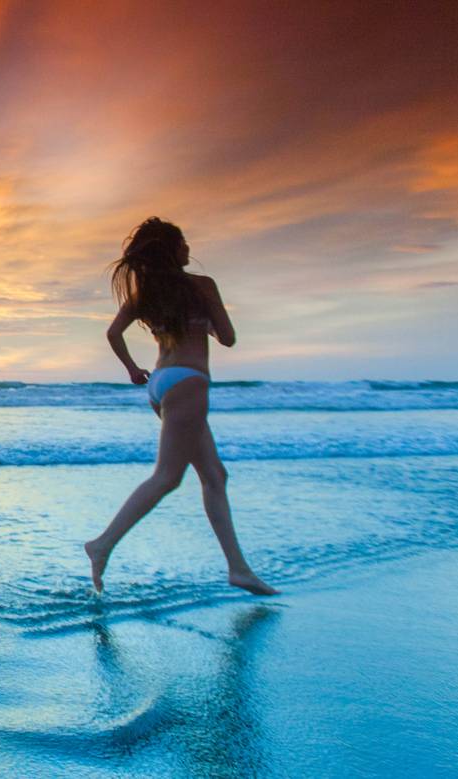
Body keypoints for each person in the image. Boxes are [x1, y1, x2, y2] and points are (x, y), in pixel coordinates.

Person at [84, 217, 278, 596]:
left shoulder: (147, 296)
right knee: (168, 477)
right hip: (189, 381)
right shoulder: (202, 286)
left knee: (214, 475)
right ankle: (102, 543)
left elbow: (113, 333)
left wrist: (131, 369)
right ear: (172, 251)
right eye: (184, 243)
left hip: (159, 383)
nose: (189, 250)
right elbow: (228, 338)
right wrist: (204, 324)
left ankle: (238, 569)